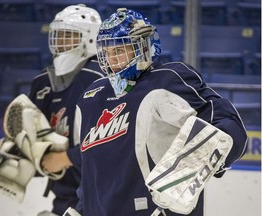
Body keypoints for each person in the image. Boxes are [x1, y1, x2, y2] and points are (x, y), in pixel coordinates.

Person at [70, 8, 248, 216]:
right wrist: (80, 209)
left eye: (119, 50)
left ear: (145, 46)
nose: (112, 60)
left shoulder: (167, 80)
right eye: (107, 52)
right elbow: (92, 174)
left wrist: (190, 168)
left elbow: (230, 125)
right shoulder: (91, 97)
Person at [27, 5, 104, 216]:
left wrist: (66, 158)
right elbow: (33, 136)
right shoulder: (42, 82)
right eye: (57, 35)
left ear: (90, 38)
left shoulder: (102, 80)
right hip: (62, 196)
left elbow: (109, 142)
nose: (60, 42)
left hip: (100, 196)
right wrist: (19, 153)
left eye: (68, 35)